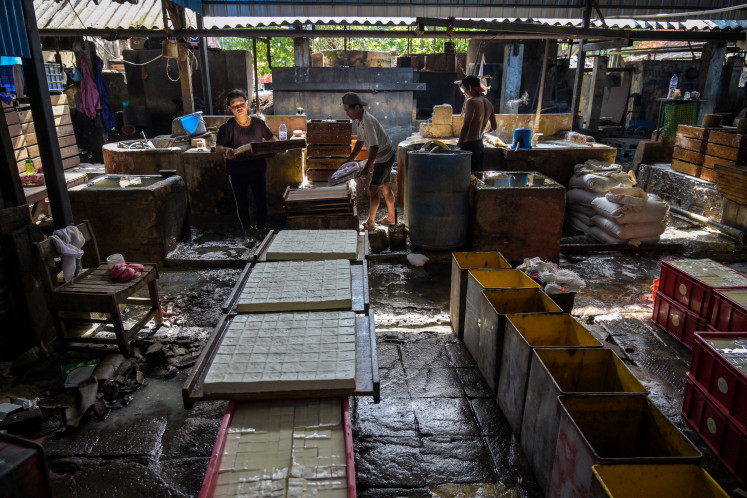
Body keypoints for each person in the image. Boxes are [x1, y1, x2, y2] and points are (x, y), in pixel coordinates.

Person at [216, 89, 276, 245]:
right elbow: (218, 148)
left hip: (257, 168)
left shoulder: (258, 124)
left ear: (247, 104)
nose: (239, 108)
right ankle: (248, 232)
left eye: (241, 103)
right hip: (237, 171)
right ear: (230, 108)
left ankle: (261, 230)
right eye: (234, 105)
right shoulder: (227, 127)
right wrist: (227, 150)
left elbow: (272, 139)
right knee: (242, 202)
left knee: (261, 200)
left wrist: (279, 146)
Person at [342, 92, 396, 231]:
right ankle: (391, 218)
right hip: (383, 154)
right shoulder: (360, 122)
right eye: (346, 110)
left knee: (373, 189)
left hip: (383, 157)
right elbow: (360, 143)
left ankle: (370, 222)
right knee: (385, 187)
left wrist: (367, 167)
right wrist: (349, 160)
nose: (347, 113)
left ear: (357, 108)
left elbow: (374, 147)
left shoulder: (368, 121)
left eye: (348, 110)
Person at [457, 75, 498, 172]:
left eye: (464, 90)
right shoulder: (488, 103)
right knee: (477, 176)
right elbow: (494, 126)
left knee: (465, 177)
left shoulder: (471, 102)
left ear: (470, 88)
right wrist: (482, 132)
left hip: (469, 146)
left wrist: (458, 146)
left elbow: (466, 126)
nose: (464, 93)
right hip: (480, 145)